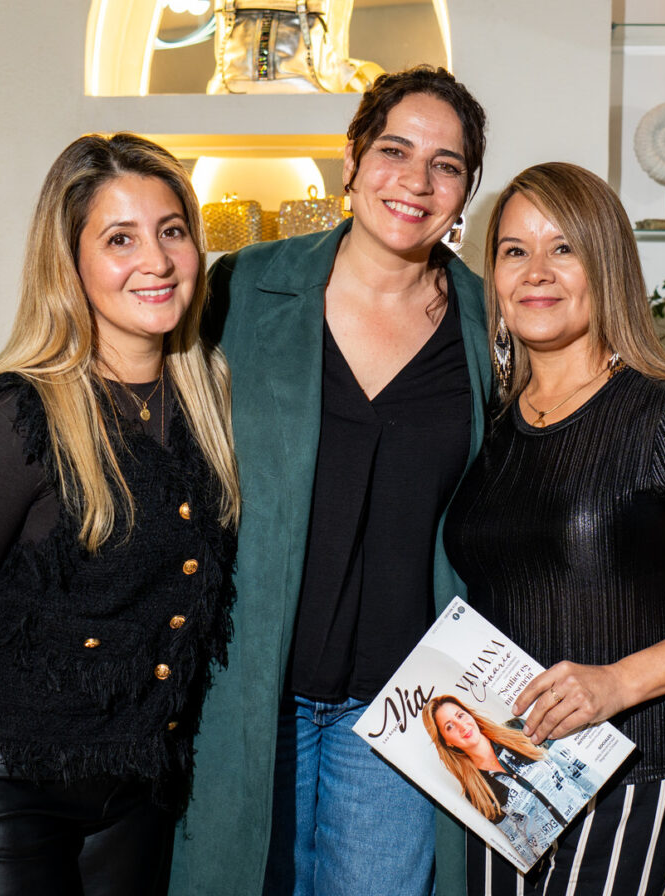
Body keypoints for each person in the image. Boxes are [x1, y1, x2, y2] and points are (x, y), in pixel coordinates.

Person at [0, 132, 239, 896]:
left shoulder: (213, 407)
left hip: (140, 793)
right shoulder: (12, 418)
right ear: (70, 263)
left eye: (172, 231)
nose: (157, 261)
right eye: (120, 239)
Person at [168, 66, 491, 896]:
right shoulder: (243, 288)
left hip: (403, 705)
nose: (416, 182)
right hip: (248, 689)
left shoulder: (488, 323)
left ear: (465, 190)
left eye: (446, 165)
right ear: (351, 160)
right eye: (394, 151)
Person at [442, 162, 665, 895]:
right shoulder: (495, 425)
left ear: (607, 265)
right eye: (514, 251)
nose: (536, 272)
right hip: (509, 767)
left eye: (563, 248)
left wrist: (616, 683)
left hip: (636, 765)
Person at [423, 695, 597, 869]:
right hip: (564, 858)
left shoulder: (517, 728)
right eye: (450, 726)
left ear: (470, 714)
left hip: (594, 819)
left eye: (460, 715)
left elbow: (575, 768)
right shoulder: (476, 791)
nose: (462, 726)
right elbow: (517, 840)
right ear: (447, 742)